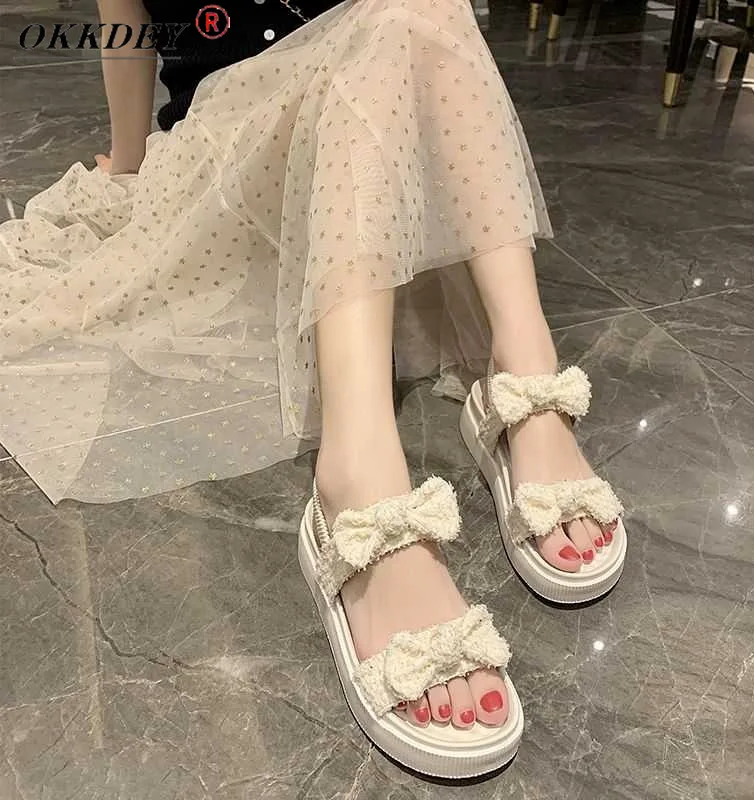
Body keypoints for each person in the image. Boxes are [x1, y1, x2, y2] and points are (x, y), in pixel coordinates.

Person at [0, 0, 626, 778]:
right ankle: (364, 465)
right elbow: (127, 34)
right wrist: (127, 165)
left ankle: (521, 361)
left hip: (358, 147)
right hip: (231, 155)